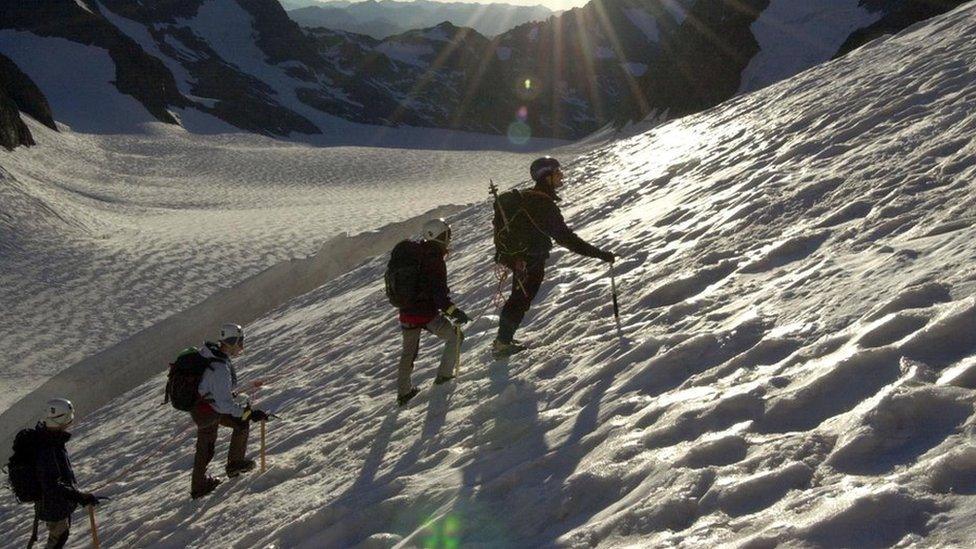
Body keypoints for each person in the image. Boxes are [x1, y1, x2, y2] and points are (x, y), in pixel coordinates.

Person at [492, 157, 615, 358]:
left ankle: (503, 340)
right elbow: (566, 238)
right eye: (558, 172)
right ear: (547, 177)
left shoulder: (529, 198)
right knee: (520, 300)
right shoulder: (542, 204)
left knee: (518, 298)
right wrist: (600, 254)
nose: (562, 175)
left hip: (520, 258)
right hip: (530, 259)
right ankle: (502, 344)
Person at [190, 323, 271, 499]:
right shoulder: (219, 368)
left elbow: (220, 394)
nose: (242, 347)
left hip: (207, 406)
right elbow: (223, 405)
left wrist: (242, 411)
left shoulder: (214, 356)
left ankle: (235, 464)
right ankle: (198, 487)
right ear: (232, 341)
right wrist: (247, 412)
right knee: (206, 447)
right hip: (207, 411)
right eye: (240, 342)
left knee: (240, 424)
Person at [395, 219, 470, 406]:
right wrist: (455, 312)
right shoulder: (434, 260)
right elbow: (440, 297)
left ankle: (404, 393)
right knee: (456, 337)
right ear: (438, 236)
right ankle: (444, 377)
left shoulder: (416, 254)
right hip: (426, 315)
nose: (449, 239)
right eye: (446, 235)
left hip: (406, 313)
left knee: (408, 354)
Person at [32, 398, 106, 549]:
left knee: (60, 536)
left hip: (53, 502)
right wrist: (79, 497)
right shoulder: (48, 446)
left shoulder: (48, 439)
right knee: (58, 538)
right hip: (53, 504)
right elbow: (52, 484)